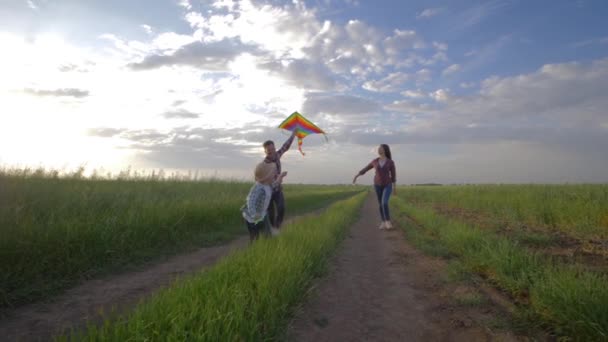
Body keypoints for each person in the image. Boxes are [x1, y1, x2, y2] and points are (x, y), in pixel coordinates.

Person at [352, 144, 397, 230]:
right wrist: (356, 176)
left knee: (384, 203)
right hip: (377, 185)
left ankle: (388, 221)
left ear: (385, 150)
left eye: (381, 148)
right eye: (378, 148)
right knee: (380, 204)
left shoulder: (390, 162)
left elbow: (393, 176)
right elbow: (365, 169)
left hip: (387, 185)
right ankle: (383, 222)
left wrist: (394, 188)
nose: (379, 149)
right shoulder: (375, 161)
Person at [241, 162, 288, 242]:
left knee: (268, 234)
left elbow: (275, 185)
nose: (275, 175)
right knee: (255, 237)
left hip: (262, 214)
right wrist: (255, 214)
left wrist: (280, 177)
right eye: (274, 174)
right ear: (267, 176)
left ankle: (269, 241)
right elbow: (250, 201)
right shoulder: (258, 188)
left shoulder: (267, 185)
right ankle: (255, 248)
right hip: (253, 217)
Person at [263, 130, 296, 235]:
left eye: (273, 149)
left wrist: (293, 134)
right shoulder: (264, 164)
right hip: (268, 191)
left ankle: (277, 227)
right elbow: (264, 178)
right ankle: (272, 232)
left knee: (281, 208)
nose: (272, 152)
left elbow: (286, 146)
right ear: (265, 152)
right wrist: (279, 176)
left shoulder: (277, 155)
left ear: (274, 148)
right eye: (269, 151)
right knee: (271, 214)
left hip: (277, 190)